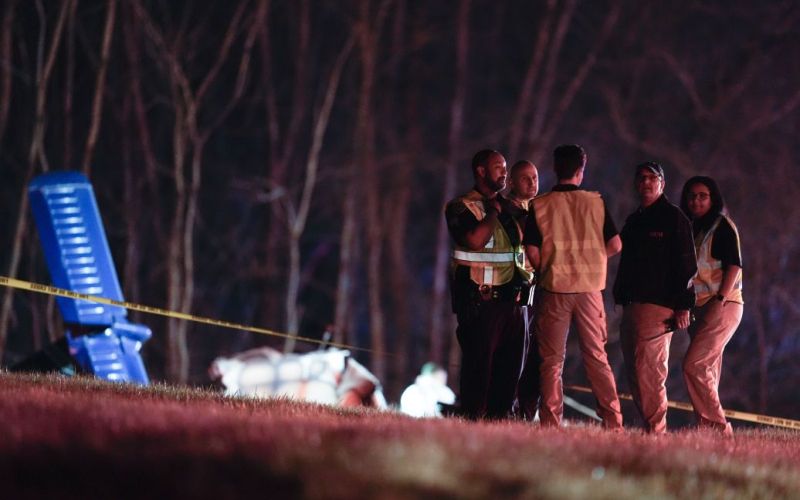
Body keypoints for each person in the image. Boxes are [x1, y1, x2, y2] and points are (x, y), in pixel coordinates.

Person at [518, 144, 623, 429]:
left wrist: (551, 267)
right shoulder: (595, 202)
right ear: (580, 171)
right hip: (589, 291)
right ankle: (613, 422)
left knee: (551, 362)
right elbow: (615, 245)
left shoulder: (540, 204)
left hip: (554, 289)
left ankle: (551, 422)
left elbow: (532, 251)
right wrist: (591, 259)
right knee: (597, 358)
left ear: (555, 169)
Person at [444, 149, 536, 419]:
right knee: (478, 375)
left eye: (506, 167)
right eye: (498, 167)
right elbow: (473, 240)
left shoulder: (512, 209)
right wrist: (492, 214)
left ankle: (500, 425)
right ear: (481, 171)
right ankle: (473, 426)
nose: (504, 172)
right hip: (482, 304)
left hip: (515, 305)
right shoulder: (461, 206)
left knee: (509, 378)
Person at [613, 162, 697, 434]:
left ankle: (657, 434)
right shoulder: (634, 221)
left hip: (658, 307)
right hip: (631, 307)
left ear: (662, 183)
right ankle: (650, 431)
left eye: (652, 178)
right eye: (641, 178)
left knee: (650, 373)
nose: (646, 182)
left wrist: (684, 304)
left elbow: (687, 265)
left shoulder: (674, 218)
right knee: (636, 374)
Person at [679, 176, 743, 435]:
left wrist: (720, 300)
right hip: (699, 309)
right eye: (692, 196)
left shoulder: (722, 226)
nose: (696, 200)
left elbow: (734, 266)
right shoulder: (692, 228)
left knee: (693, 365)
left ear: (713, 198)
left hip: (722, 305)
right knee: (707, 371)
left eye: (702, 195)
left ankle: (718, 429)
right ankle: (707, 432)